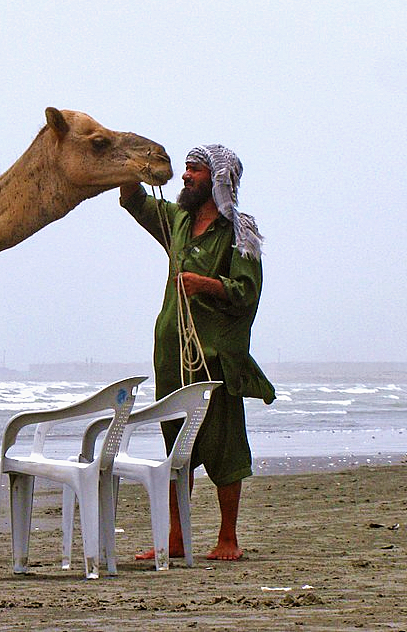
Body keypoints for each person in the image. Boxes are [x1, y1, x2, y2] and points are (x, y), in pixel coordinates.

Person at [119, 144, 274, 561]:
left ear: (218, 179)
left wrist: (205, 284)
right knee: (176, 449)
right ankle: (176, 539)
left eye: (195, 170)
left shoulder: (239, 232)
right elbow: (135, 200)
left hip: (215, 359)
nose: (186, 175)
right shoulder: (179, 221)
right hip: (173, 357)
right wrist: (128, 164)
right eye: (186, 168)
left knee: (225, 446)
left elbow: (247, 292)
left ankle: (228, 539)